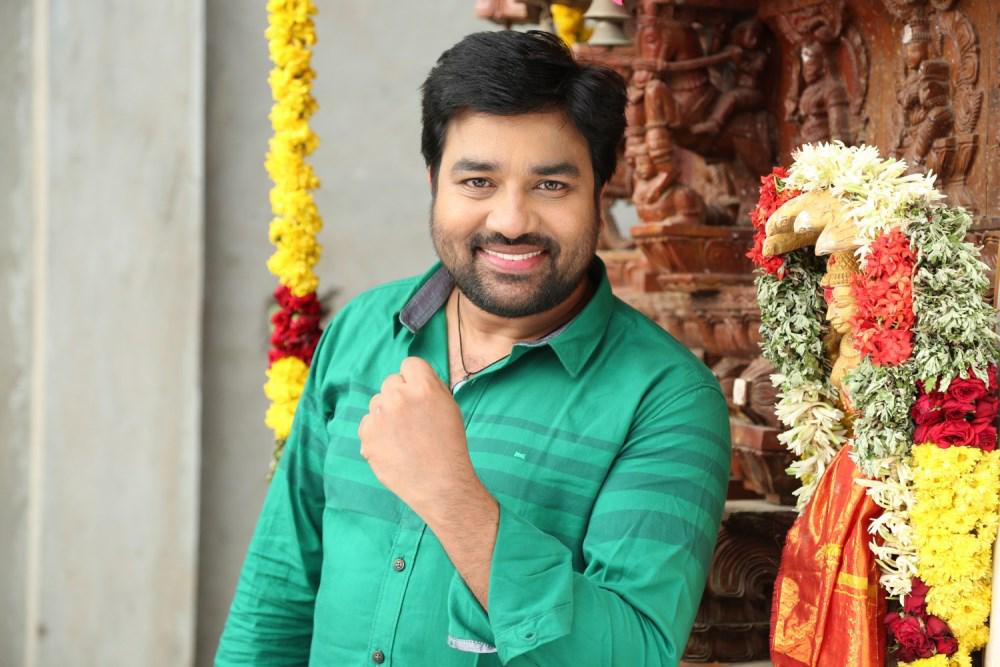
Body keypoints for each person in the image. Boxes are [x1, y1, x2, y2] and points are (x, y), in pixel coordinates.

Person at [216, 29, 730, 666]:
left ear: (602, 190)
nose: (511, 221)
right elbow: (278, 591)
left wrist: (452, 496)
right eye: (479, 181)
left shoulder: (666, 399)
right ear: (434, 181)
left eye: (551, 186)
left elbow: (636, 654)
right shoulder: (362, 332)